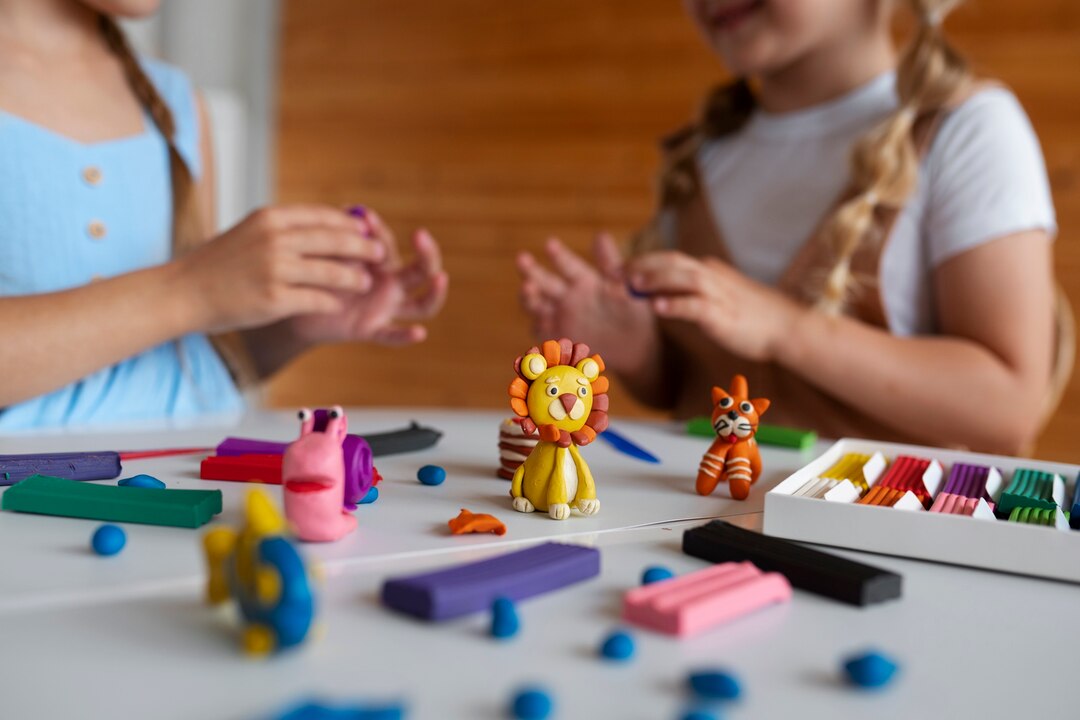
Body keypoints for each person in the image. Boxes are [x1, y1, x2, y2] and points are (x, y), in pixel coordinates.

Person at [518, 0, 1065, 454]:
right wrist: (640, 352)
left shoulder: (969, 131)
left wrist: (785, 327)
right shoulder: (699, 158)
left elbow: (1008, 406)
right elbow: (686, 389)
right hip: (696, 539)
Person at [0, 0, 447, 428]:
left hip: (193, 471)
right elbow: (188, 297)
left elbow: (198, 361)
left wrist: (296, 324)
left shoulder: (175, 102)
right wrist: (192, 289)